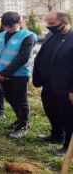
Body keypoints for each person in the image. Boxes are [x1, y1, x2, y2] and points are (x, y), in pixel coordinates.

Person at [33, 10, 73, 156]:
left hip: (65, 87)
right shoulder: (51, 35)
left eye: (52, 24)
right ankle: (56, 134)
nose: (48, 26)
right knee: (50, 109)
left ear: (66, 22)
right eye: (47, 23)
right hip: (49, 83)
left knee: (68, 116)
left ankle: (68, 147)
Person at [0, 12, 37, 138]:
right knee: (9, 97)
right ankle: (20, 119)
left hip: (19, 74)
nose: (8, 29)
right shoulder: (1, 35)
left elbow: (22, 58)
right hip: (2, 73)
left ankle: (24, 126)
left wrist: (4, 73)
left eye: (11, 27)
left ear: (20, 23)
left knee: (21, 100)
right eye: (5, 26)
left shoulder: (27, 36)